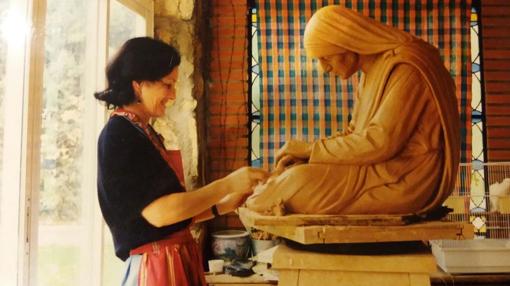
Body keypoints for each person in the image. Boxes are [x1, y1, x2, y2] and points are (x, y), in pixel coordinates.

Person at [246, 5, 460, 217]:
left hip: (404, 177)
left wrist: (312, 149)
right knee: (294, 175)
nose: (324, 68)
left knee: (294, 184)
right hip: (377, 167)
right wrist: (311, 158)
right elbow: (354, 134)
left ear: (348, 43)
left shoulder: (407, 68)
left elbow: (380, 142)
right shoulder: (370, 73)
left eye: (326, 58)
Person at [94, 37, 269, 286]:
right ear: (138, 85)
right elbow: (161, 214)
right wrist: (227, 184)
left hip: (173, 257)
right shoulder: (119, 134)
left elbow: (172, 212)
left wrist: (223, 205)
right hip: (157, 266)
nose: (173, 95)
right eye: (167, 85)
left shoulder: (142, 131)